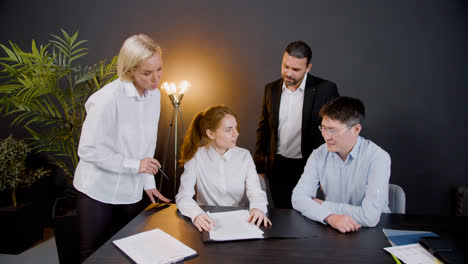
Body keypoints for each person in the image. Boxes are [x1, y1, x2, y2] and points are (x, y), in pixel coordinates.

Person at [73, 34, 170, 262]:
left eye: (159, 69)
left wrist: (148, 180)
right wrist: (135, 165)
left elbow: (149, 141)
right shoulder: (106, 99)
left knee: (127, 251)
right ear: (130, 71)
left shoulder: (154, 95)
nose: (156, 78)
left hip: (131, 188)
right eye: (147, 73)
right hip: (97, 190)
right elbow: (88, 150)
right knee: (94, 255)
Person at [255, 41, 339, 209]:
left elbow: (335, 132)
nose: (288, 73)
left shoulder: (326, 89)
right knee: (282, 214)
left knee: (307, 217)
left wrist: (329, 171)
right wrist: (260, 169)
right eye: (285, 66)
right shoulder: (271, 89)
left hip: (309, 166)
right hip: (277, 167)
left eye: (296, 70)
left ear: (308, 68)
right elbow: (264, 130)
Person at [291, 96, 391, 233]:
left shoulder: (378, 158)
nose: (327, 136)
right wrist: (330, 217)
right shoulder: (318, 154)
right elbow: (297, 198)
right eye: (323, 128)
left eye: (333, 131)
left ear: (356, 130)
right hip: (334, 229)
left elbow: (370, 217)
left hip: (375, 232)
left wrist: (322, 205)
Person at [176, 105, 271, 232]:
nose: (236, 133)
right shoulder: (196, 157)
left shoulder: (244, 155)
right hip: (208, 223)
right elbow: (183, 196)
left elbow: (255, 192)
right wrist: (196, 214)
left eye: (236, 128)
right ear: (211, 134)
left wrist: (257, 208)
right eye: (228, 130)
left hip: (240, 221)